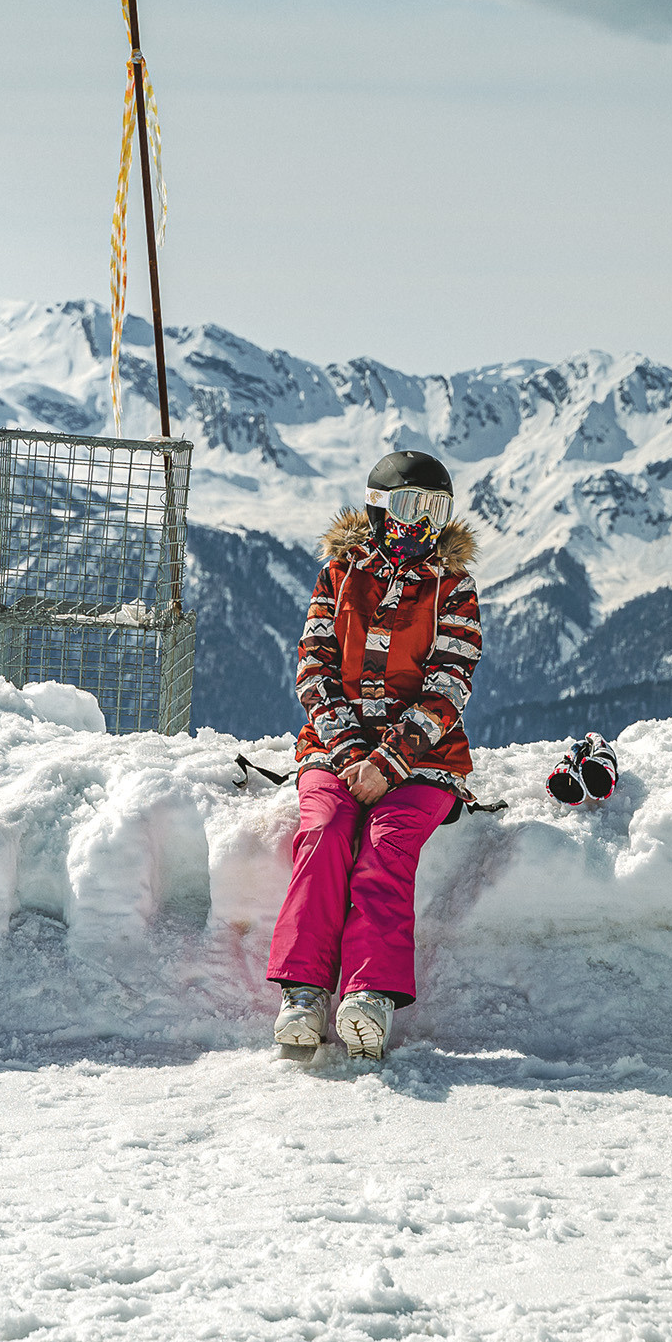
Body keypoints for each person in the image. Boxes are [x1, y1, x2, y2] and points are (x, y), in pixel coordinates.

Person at [267, 450, 482, 1060]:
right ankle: (305, 991)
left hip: (425, 759)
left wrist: (387, 763)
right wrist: (352, 752)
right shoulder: (340, 577)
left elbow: (449, 686)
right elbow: (314, 671)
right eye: (413, 506)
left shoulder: (452, 588)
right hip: (335, 749)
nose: (424, 523)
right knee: (327, 830)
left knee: (388, 841)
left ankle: (370, 994)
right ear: (381, 510)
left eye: (437, 509)